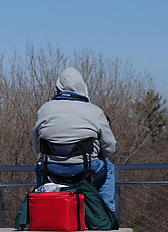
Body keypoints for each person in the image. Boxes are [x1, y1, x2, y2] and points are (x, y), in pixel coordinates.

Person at [31, 67, 116, 211]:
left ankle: (42, 209)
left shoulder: (44, 109)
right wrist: (99, 155)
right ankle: (106, 213)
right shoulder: (94, 111)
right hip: (84, 169)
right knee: (109, 168)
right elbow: (110, 146)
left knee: (40, 166)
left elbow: (35, 145)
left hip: (51, 168)